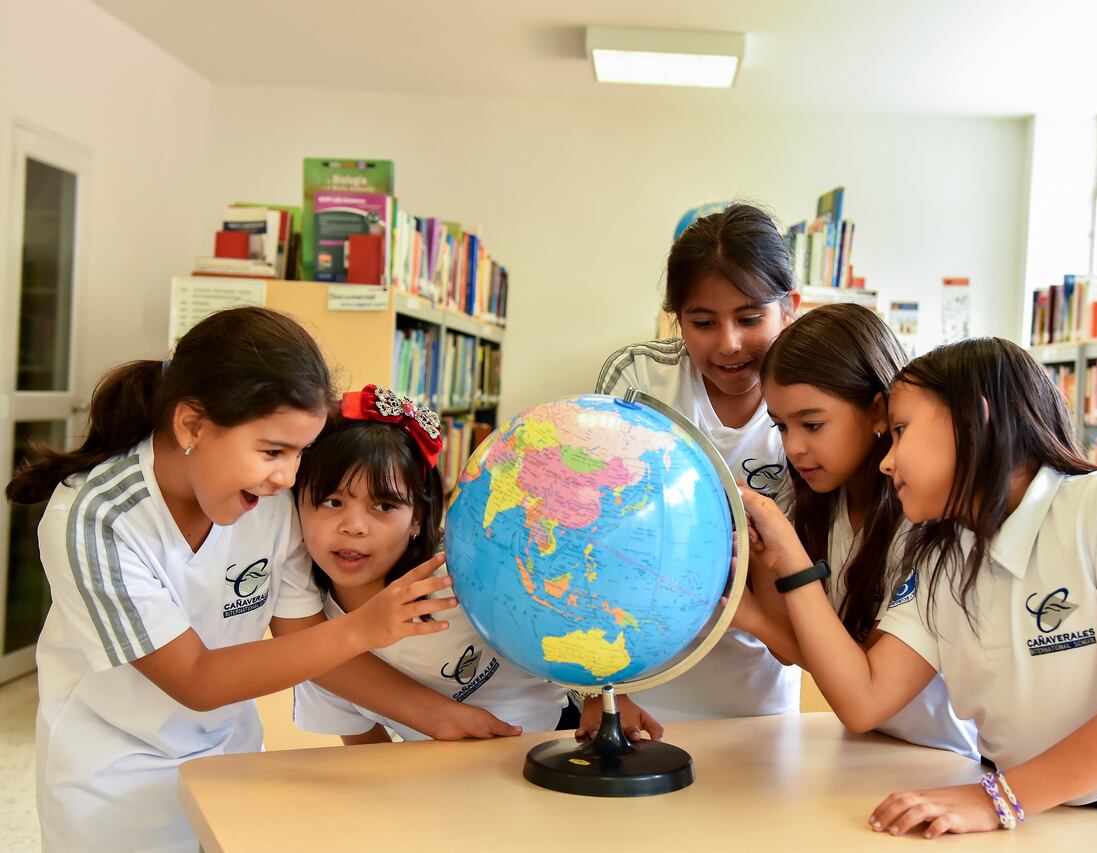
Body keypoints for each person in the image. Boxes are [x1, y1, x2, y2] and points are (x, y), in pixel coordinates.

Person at [6, 308, 496, 853]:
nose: (288, 476)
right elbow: (196, 680)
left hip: (229, 758)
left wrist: (444, 719)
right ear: (192, 425)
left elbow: (300, 633)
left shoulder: (270, 499)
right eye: (272, 452)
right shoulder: (95, 519)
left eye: (300, 453)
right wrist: (365, 628)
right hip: (115, 775)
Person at [737, 337, 1097, 847]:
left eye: (900, 432)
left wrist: (997, 798)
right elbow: (864, 698)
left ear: (974, 421)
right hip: (1014, 807)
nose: (886, 460)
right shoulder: (942, 556)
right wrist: (788, 561)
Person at [291, 385, 666, 742]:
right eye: (331, 502)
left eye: (384, 506)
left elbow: (567, 615)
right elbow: (363, 753)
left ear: (418, 520)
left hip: (559, 743)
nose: (353, 527)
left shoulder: (466, 577)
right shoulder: (315, 643)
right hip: (451, 787)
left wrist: (601, 698)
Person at [732, 303, 977, 761]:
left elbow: (863, 692)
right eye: (781, 426)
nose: (794, 447)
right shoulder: (802, 498)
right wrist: (755, 615)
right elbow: (808, 654)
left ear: (879, 411)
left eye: (813, 424)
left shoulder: (929, 517)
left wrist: (788, 564)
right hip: (868, 751)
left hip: (946, 758)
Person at [593, 202, 801, 724]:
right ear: (676, 317)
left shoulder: (811, 400)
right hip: (638, 680)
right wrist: (598, 692)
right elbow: (593, 536)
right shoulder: (640, 379)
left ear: (790, 308)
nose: (729, 344)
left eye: (750, 318)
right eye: (703, 322)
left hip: (759, 689)